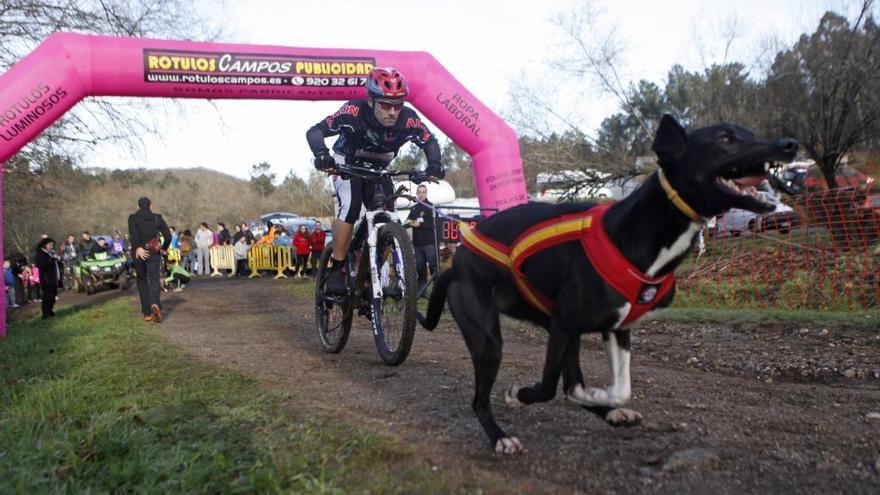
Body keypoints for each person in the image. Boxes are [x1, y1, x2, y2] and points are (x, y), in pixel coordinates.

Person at [306, 67, 444, 293]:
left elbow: (429, 142)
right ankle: (336, 269)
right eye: (385, 105)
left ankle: (371, 272)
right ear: (370, 100)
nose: (392, 112)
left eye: (397, 105)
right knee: (350, 207)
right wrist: (322, 154)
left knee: (389, 217)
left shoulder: (408, 119)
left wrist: (435, 165)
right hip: (347, 161)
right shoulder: (353, 111)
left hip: (380, 168)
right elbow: (315, 131)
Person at [128, 196, 172, 323]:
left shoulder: (133, 218)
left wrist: (138, 248)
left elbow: (133, 233)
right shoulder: (157, 218)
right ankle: (155, 302)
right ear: (150, 205)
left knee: (142, 281)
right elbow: (168, 236)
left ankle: (147, 313)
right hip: (154, 251)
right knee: (154, 279)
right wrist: (164, 247)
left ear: (138, 205)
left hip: (138, 253)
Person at [406, 184, 438, 296]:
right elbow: (407, 221)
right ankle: (422, 291)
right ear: (416, 194)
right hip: (417, 244)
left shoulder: (431, 207)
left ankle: (437, 292)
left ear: (426, 193)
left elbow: (435, 223)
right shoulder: (414, 208)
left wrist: (420, 223)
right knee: (420, 269)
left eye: (423, 192)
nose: (421, 194)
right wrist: (413, 223)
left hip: (429, 244)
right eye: (419, 192)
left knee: (433, 268)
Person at [34, 237, 61, 319]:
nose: (52, 247)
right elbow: (43, 266)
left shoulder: (49, 254)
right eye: (50, 245)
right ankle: (45, 314)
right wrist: (53, 259)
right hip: (47, 280)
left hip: (53, 279)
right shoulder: (40, 254)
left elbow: (54, 264)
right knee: (47, 297)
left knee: (52, 297)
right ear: (45, 245)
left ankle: (50, 311)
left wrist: (58, 261)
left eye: (53, 245)